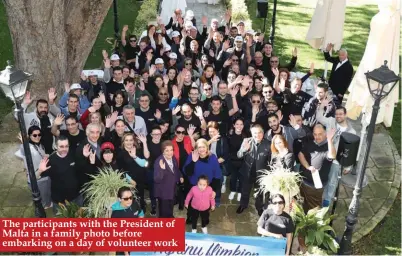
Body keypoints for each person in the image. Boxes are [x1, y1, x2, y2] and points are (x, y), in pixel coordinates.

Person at [316, 105, 357, 207]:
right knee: (321, 178)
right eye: (336, 114)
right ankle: (318, 197)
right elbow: (319, 117)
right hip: (324, 157)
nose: (338, 116)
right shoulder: (331, 121)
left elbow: (352, 151)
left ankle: (327, 201)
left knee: (332, 181)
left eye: (341, 114)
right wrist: (322, 105)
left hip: (336, 161)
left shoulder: (352, 132)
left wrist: (348, 166)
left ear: (345, 114)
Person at [37, 136, 82, 214]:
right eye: (61, 146)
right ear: (55, 146)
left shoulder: (73, 154)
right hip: (59, 202)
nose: (64, 149)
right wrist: (40, 171)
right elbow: (34, 179)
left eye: (66, 146)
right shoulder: (50, 161)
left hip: (76, 197)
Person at [298, 124, 336, 213]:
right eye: (315, 134)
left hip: (315, 187)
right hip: (303, 182)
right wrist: (307, 166)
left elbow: (332, 155)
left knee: (314, 210)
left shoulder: (328, 147)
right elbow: (301, 154)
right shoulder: (311, 142)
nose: (317, 137)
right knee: (304, 205)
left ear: (325, 134)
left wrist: (330, 140)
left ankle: (313, 225)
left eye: (320, 134)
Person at [183, 139, 221, 223]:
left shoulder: (213, 158)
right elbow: (187, 172)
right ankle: (190, 216)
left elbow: (217, 175)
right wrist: (193, 161)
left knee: (205, 203)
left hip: (207, 186)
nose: (201, 149)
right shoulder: (191, 155)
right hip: (193, 185)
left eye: (203, 147)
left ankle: (205, 216)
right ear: (196, 148)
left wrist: (214, 190)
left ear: (207, 148)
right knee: (192, 203)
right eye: (199, 147)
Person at [14, 126, 52, 209]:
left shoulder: (39, 145)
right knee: (43, 198)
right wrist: (24, 143)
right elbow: (23, 152)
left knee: (46, 193)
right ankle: (45, 207)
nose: (37, 137)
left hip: (43, 175)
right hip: (37, 178)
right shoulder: (29, 148)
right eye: (34, 135)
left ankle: (47, 204)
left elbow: (40, 154)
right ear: (29, 136)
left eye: (39, 134)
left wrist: (46, 156)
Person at [237, 124, 271, 215]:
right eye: (255, 133)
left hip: (261, 174)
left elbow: (271, 160)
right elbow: (239, 155)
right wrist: (244, 149)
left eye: (260, 132)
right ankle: (243, 205)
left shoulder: (268, 144)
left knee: (259, 193)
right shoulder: (246, 141)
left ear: (263, 133)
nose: (258, 135)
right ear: (252, 133)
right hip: (247, 172)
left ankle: (259, 207)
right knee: (245, 190)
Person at [111, 186, 144, 256]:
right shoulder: (116, 214)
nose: (129, 200)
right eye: (126, 198)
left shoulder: (134, 203)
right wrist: (126, 253)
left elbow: (141, 213)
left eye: (131, 197)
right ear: (120, 199)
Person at [154, 141, 184, 217]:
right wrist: (162, 170)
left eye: (171, 150)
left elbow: (176, 169)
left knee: (171, 206)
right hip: (163, 192)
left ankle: (170, 216)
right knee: (163, 211)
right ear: (162, 151)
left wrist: (180, 176)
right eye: (167, 150)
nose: (169, 152)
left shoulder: (173, 158)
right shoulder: (159, 161)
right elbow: (157, 179)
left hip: (172, 189)